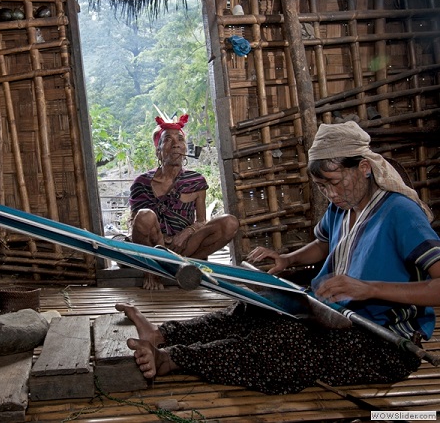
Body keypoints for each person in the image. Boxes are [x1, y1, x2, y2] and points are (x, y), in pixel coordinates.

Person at [117, 120, 440, 395]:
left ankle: (172, 359)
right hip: (333, 316)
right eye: (322, 188)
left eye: (334, 183)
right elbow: (324, 245)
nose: (331, 194)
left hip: (383, 343)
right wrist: (288, 260)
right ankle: (161, 335)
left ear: (364, 169)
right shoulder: (343, 207)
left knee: (285, 341)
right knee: (252, 308)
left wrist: (368, 289)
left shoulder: (399, 213)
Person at [129, 114, 239, 290]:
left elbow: (202, 221)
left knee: (230, 222)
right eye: (168, 140)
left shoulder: (196, 181)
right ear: (158, 150)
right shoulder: (141, 183)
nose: (176, 144)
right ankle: (152, 271)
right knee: (144, 216)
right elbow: (136, 224)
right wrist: (161, 242)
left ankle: (189, 266)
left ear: (185, 147)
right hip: (156, 247)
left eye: (180, 139)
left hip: (186, 246)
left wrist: (186, 233)